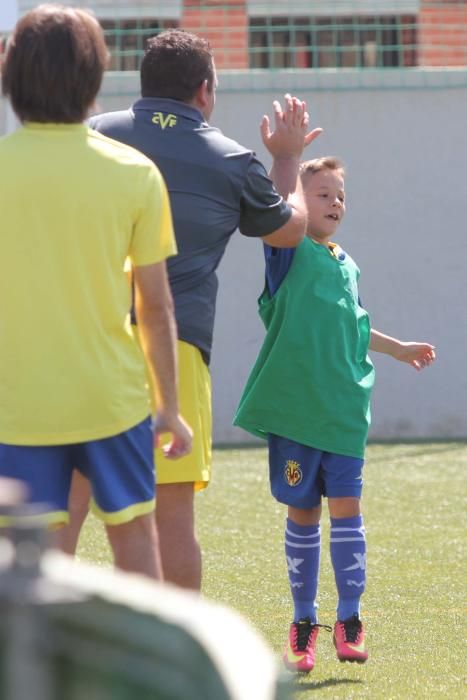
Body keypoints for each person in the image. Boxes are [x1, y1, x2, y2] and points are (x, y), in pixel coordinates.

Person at [64, 28, 322, 590]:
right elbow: (287, 231)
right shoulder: (230, 158)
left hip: (84, 342)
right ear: (204, 91)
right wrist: (290, 159)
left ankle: (25, 651)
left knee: (67, 507)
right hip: (173, 351)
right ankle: (175, 666)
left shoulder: (91, 137)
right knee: (170, 516)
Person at [0, 4, 192, 580]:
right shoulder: (134, 173)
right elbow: (155, 307)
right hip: (112, 401)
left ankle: (31, 670)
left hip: (16, 405)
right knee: (135, 539)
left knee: (30, 562)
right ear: (97, 78)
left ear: (10, 76)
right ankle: (147, 671)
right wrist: (169, 410)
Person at [234, 156, 436, 672]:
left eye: (339, 195)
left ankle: (350, 618)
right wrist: (285, 159)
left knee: (348, 507)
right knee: (303, 512)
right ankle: (304, 623)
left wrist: (400, 349)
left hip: (345, 412)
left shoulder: (345, 261)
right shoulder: (288, 251)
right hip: (298, 414)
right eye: (322, 194)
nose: (335, 203)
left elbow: (355, 325)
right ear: (298, 204)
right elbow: (277, 212)